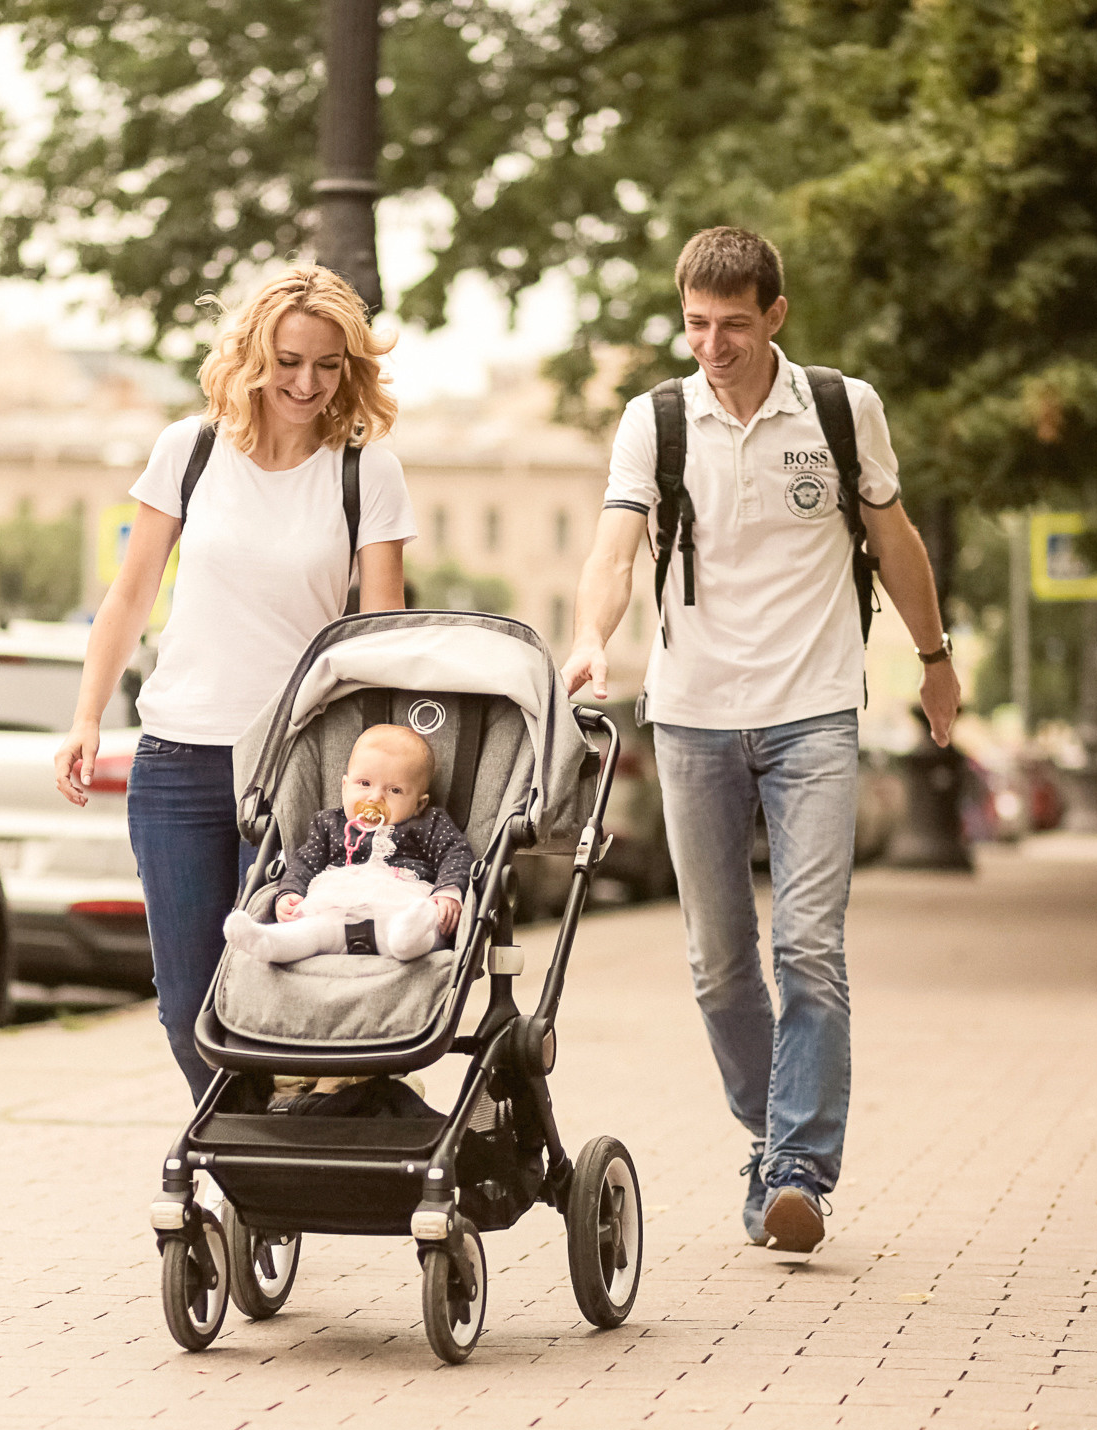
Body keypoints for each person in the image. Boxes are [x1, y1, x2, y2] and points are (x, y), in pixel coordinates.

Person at [561, 226, 960, 1256]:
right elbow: (613, 550)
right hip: (691, 717)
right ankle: (770, 1134)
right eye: (697, 323)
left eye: (734, 324)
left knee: (810, 948)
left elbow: (894, 539)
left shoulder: (839, 408)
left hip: (815, 713)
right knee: (718, 964)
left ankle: (797, 1170)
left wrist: (935, 655)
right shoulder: (657, 422)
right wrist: (591, 639)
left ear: (775, 315)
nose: (713, 344)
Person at [55, 265, 418, 1098]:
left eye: (329, 366)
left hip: (292, 764)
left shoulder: (367, 473)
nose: (306, 383)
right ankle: (253, 1160)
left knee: (270, 983)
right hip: (177, 759)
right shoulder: (191, 450)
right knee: (187, 1004)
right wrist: (85, 719)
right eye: (290, 360)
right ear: (253, 354)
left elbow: (383, 638)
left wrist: (383, 770)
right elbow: (131, 592)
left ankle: (268, 1156)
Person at [224, 724, 472, 964]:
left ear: (419, 803)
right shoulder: (328, 824)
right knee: (311, 930)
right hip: (336, 907)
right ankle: (270, 943)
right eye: (364, 784)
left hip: (398, 903)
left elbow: (456, 853)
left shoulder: (428, 823)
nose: (375, 797)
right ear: (344, 787)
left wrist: (448, 891)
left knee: (424, 919)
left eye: (394, 790)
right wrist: (290, 893)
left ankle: (408, 940)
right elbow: (304, 864)